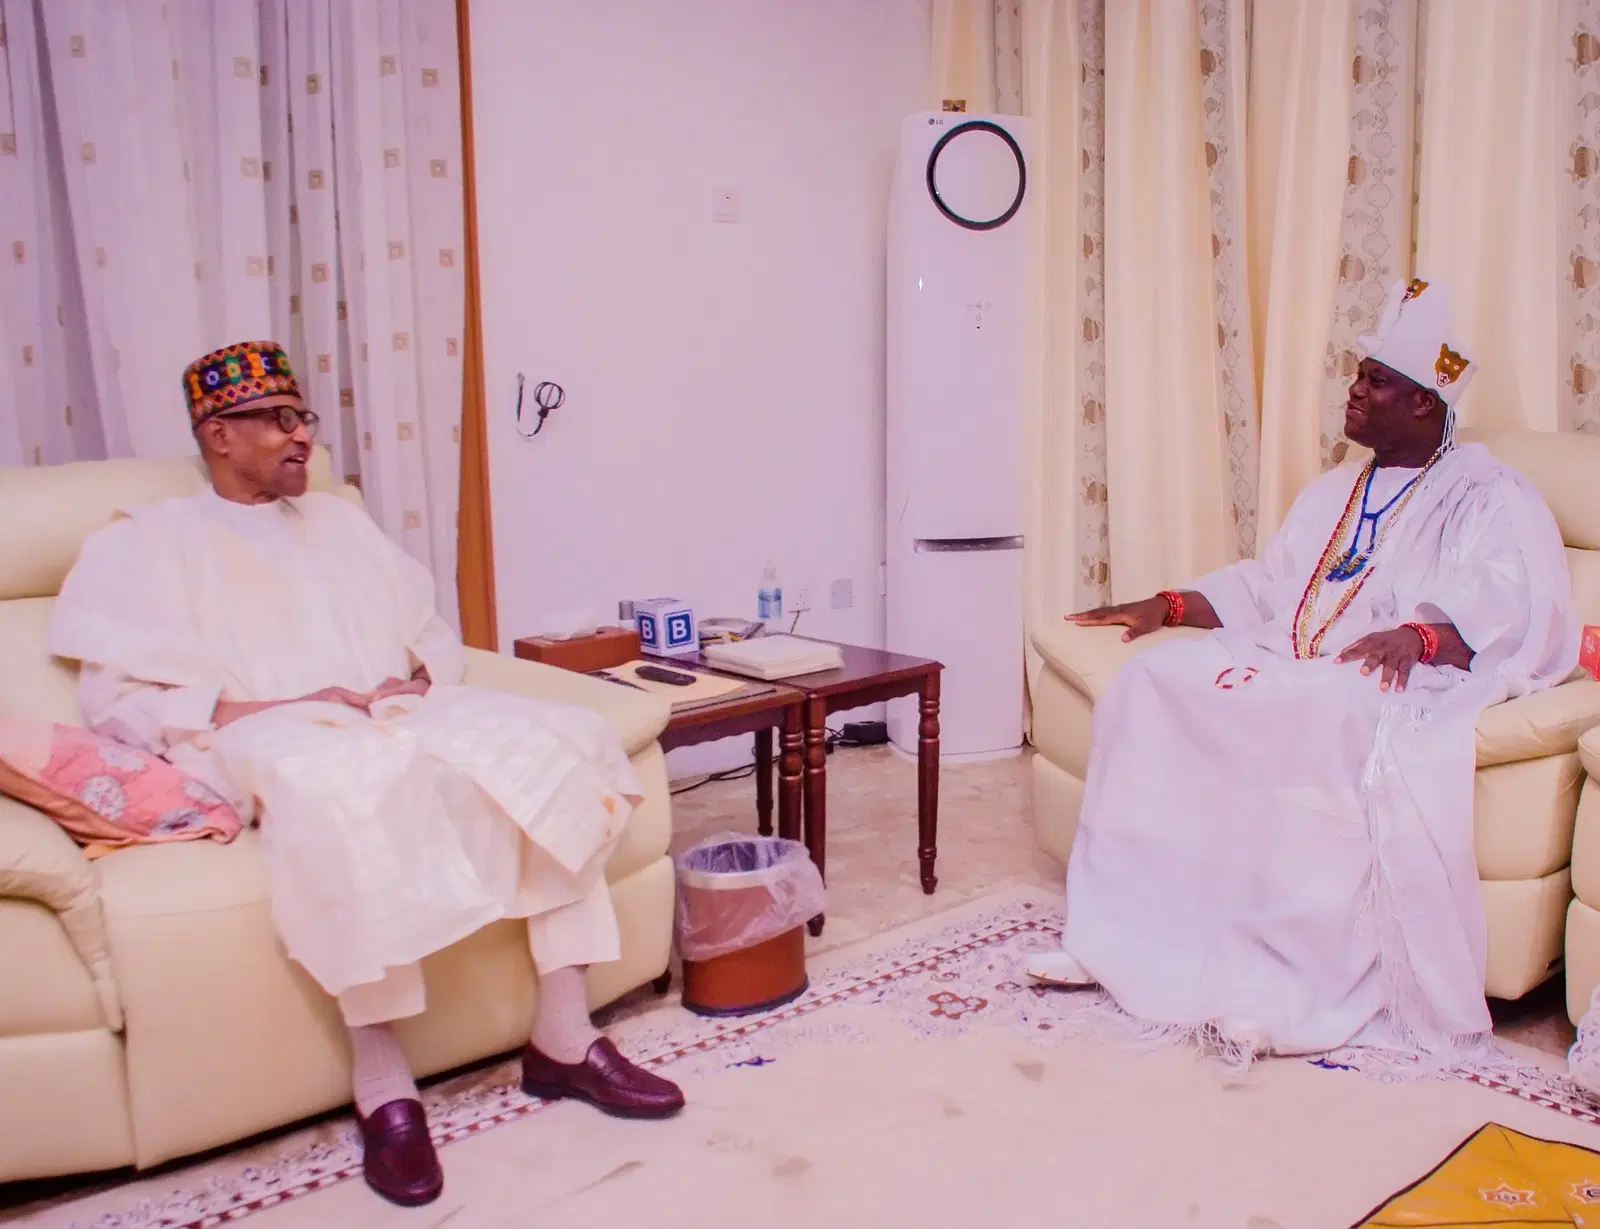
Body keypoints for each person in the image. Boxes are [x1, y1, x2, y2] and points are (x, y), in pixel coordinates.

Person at [48, 341, 684, 1208]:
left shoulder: (340, 521)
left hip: (385, 713)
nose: (300, 435)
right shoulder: (150, 542)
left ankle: (564, 1039)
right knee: (341, 790)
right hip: (265, 731)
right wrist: (268, 706)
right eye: (277, 421)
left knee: (563, 741)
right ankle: (385, 1086)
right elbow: (119, 701)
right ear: (218, 434)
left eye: (302, 417)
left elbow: (426, 630)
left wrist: (412, 682)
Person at [1026, 279, 1577, 1068]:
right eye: (1358, 374)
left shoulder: (1486, 494)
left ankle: (1286, 993)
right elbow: (1269, 587)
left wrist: (1421, 636)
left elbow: (1513, 599)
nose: (1353, 392)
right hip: (1296, 663)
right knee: (1152, 686)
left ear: (1425, 404)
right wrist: (1172, 603)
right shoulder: (1333, 493)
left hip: (1392, 685)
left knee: (1314, 712)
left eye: (1375, 381)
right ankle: (1122, 941)